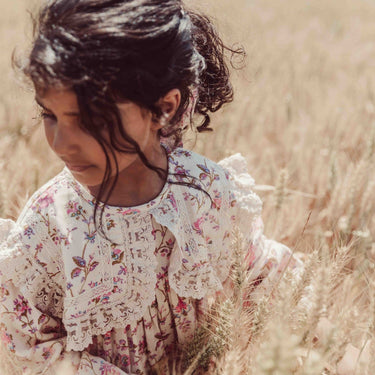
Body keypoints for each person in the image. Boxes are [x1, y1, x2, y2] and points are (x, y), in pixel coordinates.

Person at [0, 1, 368, 374]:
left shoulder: (204, 190)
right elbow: (30, 348)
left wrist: (326, 337)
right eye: (50, 115)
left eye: (91, 119)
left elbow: (254, 274)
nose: (62, 143)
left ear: (165, 108)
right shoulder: (48, 225)